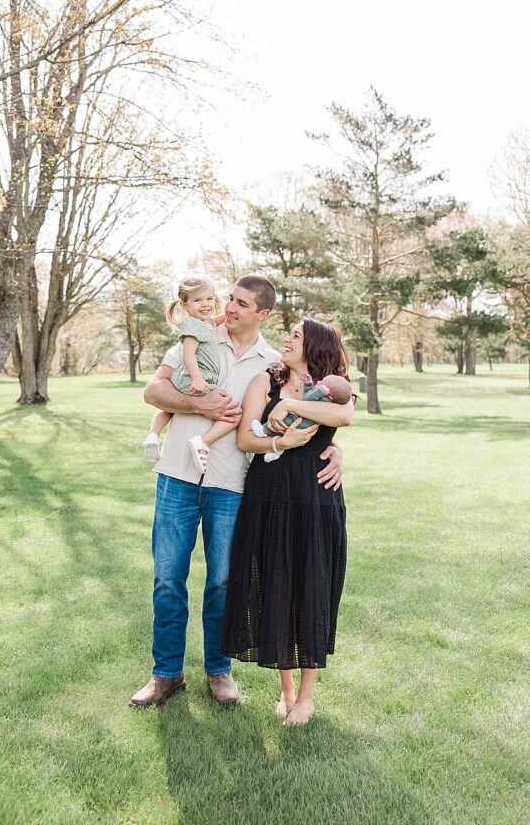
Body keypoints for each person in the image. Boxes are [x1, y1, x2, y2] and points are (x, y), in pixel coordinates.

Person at [129, 278, 351, 709]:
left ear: (262, 314)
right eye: (228, 298)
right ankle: (165, 675)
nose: (229, 307)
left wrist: (334, 448)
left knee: (223, 582)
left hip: (232, 483)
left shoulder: (274, 364)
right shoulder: (198, 335)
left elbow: (311, 405)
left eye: (240, 302)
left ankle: (219, 671)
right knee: (168, 579)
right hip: (177, 473)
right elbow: (153, 390)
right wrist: (200, 405)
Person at [222, 319, 351, 726]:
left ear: (313, 344)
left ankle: (308, 697)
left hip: (316, 499)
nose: (287, 339)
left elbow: (343, 417)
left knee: (313, 588)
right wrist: (280, 440)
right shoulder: (264, 382)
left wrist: (290, 406)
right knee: (276, 586)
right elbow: (245, 439)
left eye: (295, 335)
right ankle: (286, 691)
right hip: (270, 496)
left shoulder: (336, 386)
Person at [142, 277, 233, 472]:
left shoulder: (205, 323)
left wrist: (232, 313)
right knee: (233, 412)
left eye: (209, 298)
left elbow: (217, 321)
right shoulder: (192, 326)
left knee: (169, 409)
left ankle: (152, 436)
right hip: (195, 378)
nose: (205, 304)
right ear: (185, 305)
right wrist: (198, 379)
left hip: (189, 377)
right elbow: (188, 353)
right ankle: (203, 443)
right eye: (197, 300)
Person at [251, 371, 353, 462]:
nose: (318, 383)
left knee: (281, 423)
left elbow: (307, 399)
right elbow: (308, 395)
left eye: (322, 384)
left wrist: (319, 392)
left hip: (298, 423)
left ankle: (263, 431)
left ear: (329, 395)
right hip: (300, 427)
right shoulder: (325, 400)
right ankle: (275, 452)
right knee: (282, 430)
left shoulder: (324, 400)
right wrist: (308, 384)